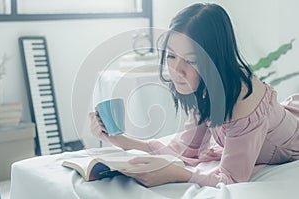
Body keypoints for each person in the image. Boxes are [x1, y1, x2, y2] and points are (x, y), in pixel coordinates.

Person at [89, 3, 299, 187]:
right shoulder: (205, 84)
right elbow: (186, 149)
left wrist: (175, 174)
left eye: (191, 61)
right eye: (171, 56)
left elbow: (232, 179)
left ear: (214, 60)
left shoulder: (242, 99)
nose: (176, 70)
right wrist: (119, 140)